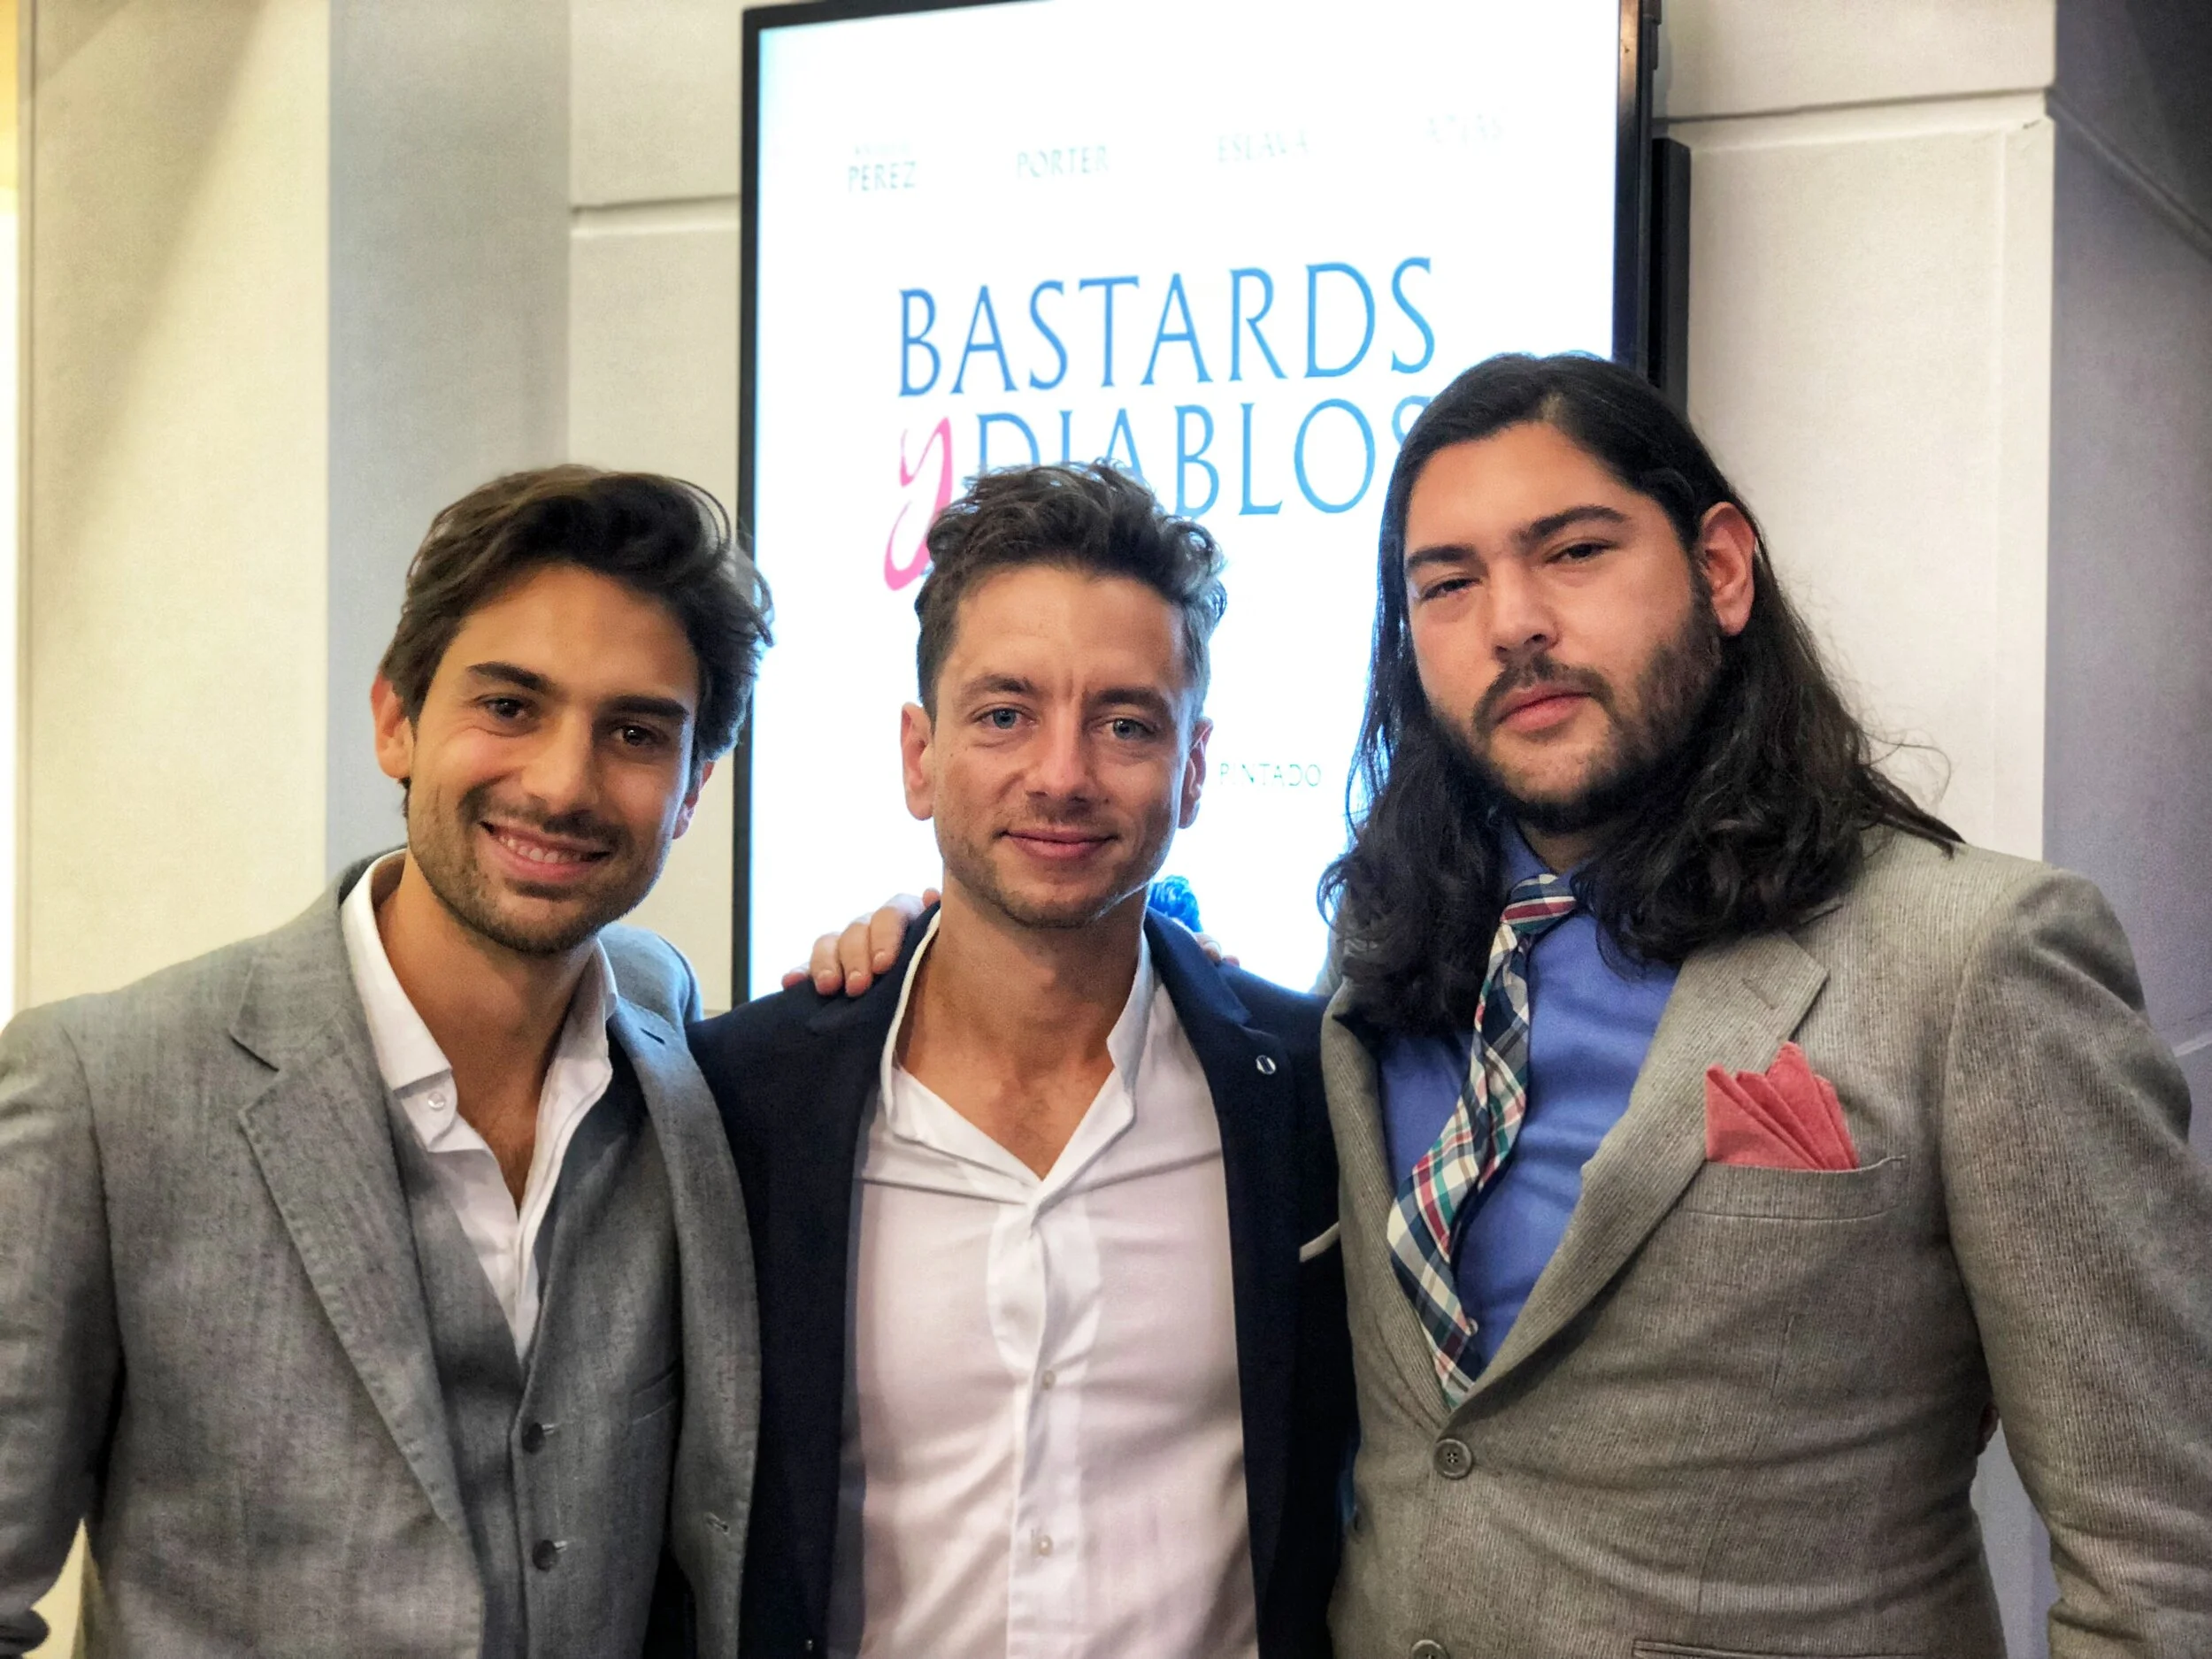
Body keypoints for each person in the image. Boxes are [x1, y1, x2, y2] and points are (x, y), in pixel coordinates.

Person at [813, 354, 2212, 1658]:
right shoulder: (1382, 965)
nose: (1516, 622)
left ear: (1722, 569)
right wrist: (929, 955)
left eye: (1576, 552)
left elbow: (2160, 1559)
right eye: (1449, 582)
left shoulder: (1975, 958)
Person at [0, 467, 767, 1658]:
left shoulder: (667, 1031)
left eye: (634, 733)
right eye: (509, 705)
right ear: (395, 721)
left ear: (693, 788)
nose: (562, 783)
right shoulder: (103, 1091)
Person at [691, 463, 1355, 1659]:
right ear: (918, 755)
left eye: (1126, 723)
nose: (1062, 774)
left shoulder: (1314, 1095)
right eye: (1004, 714)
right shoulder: (747, 1101)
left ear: (1195, 769)